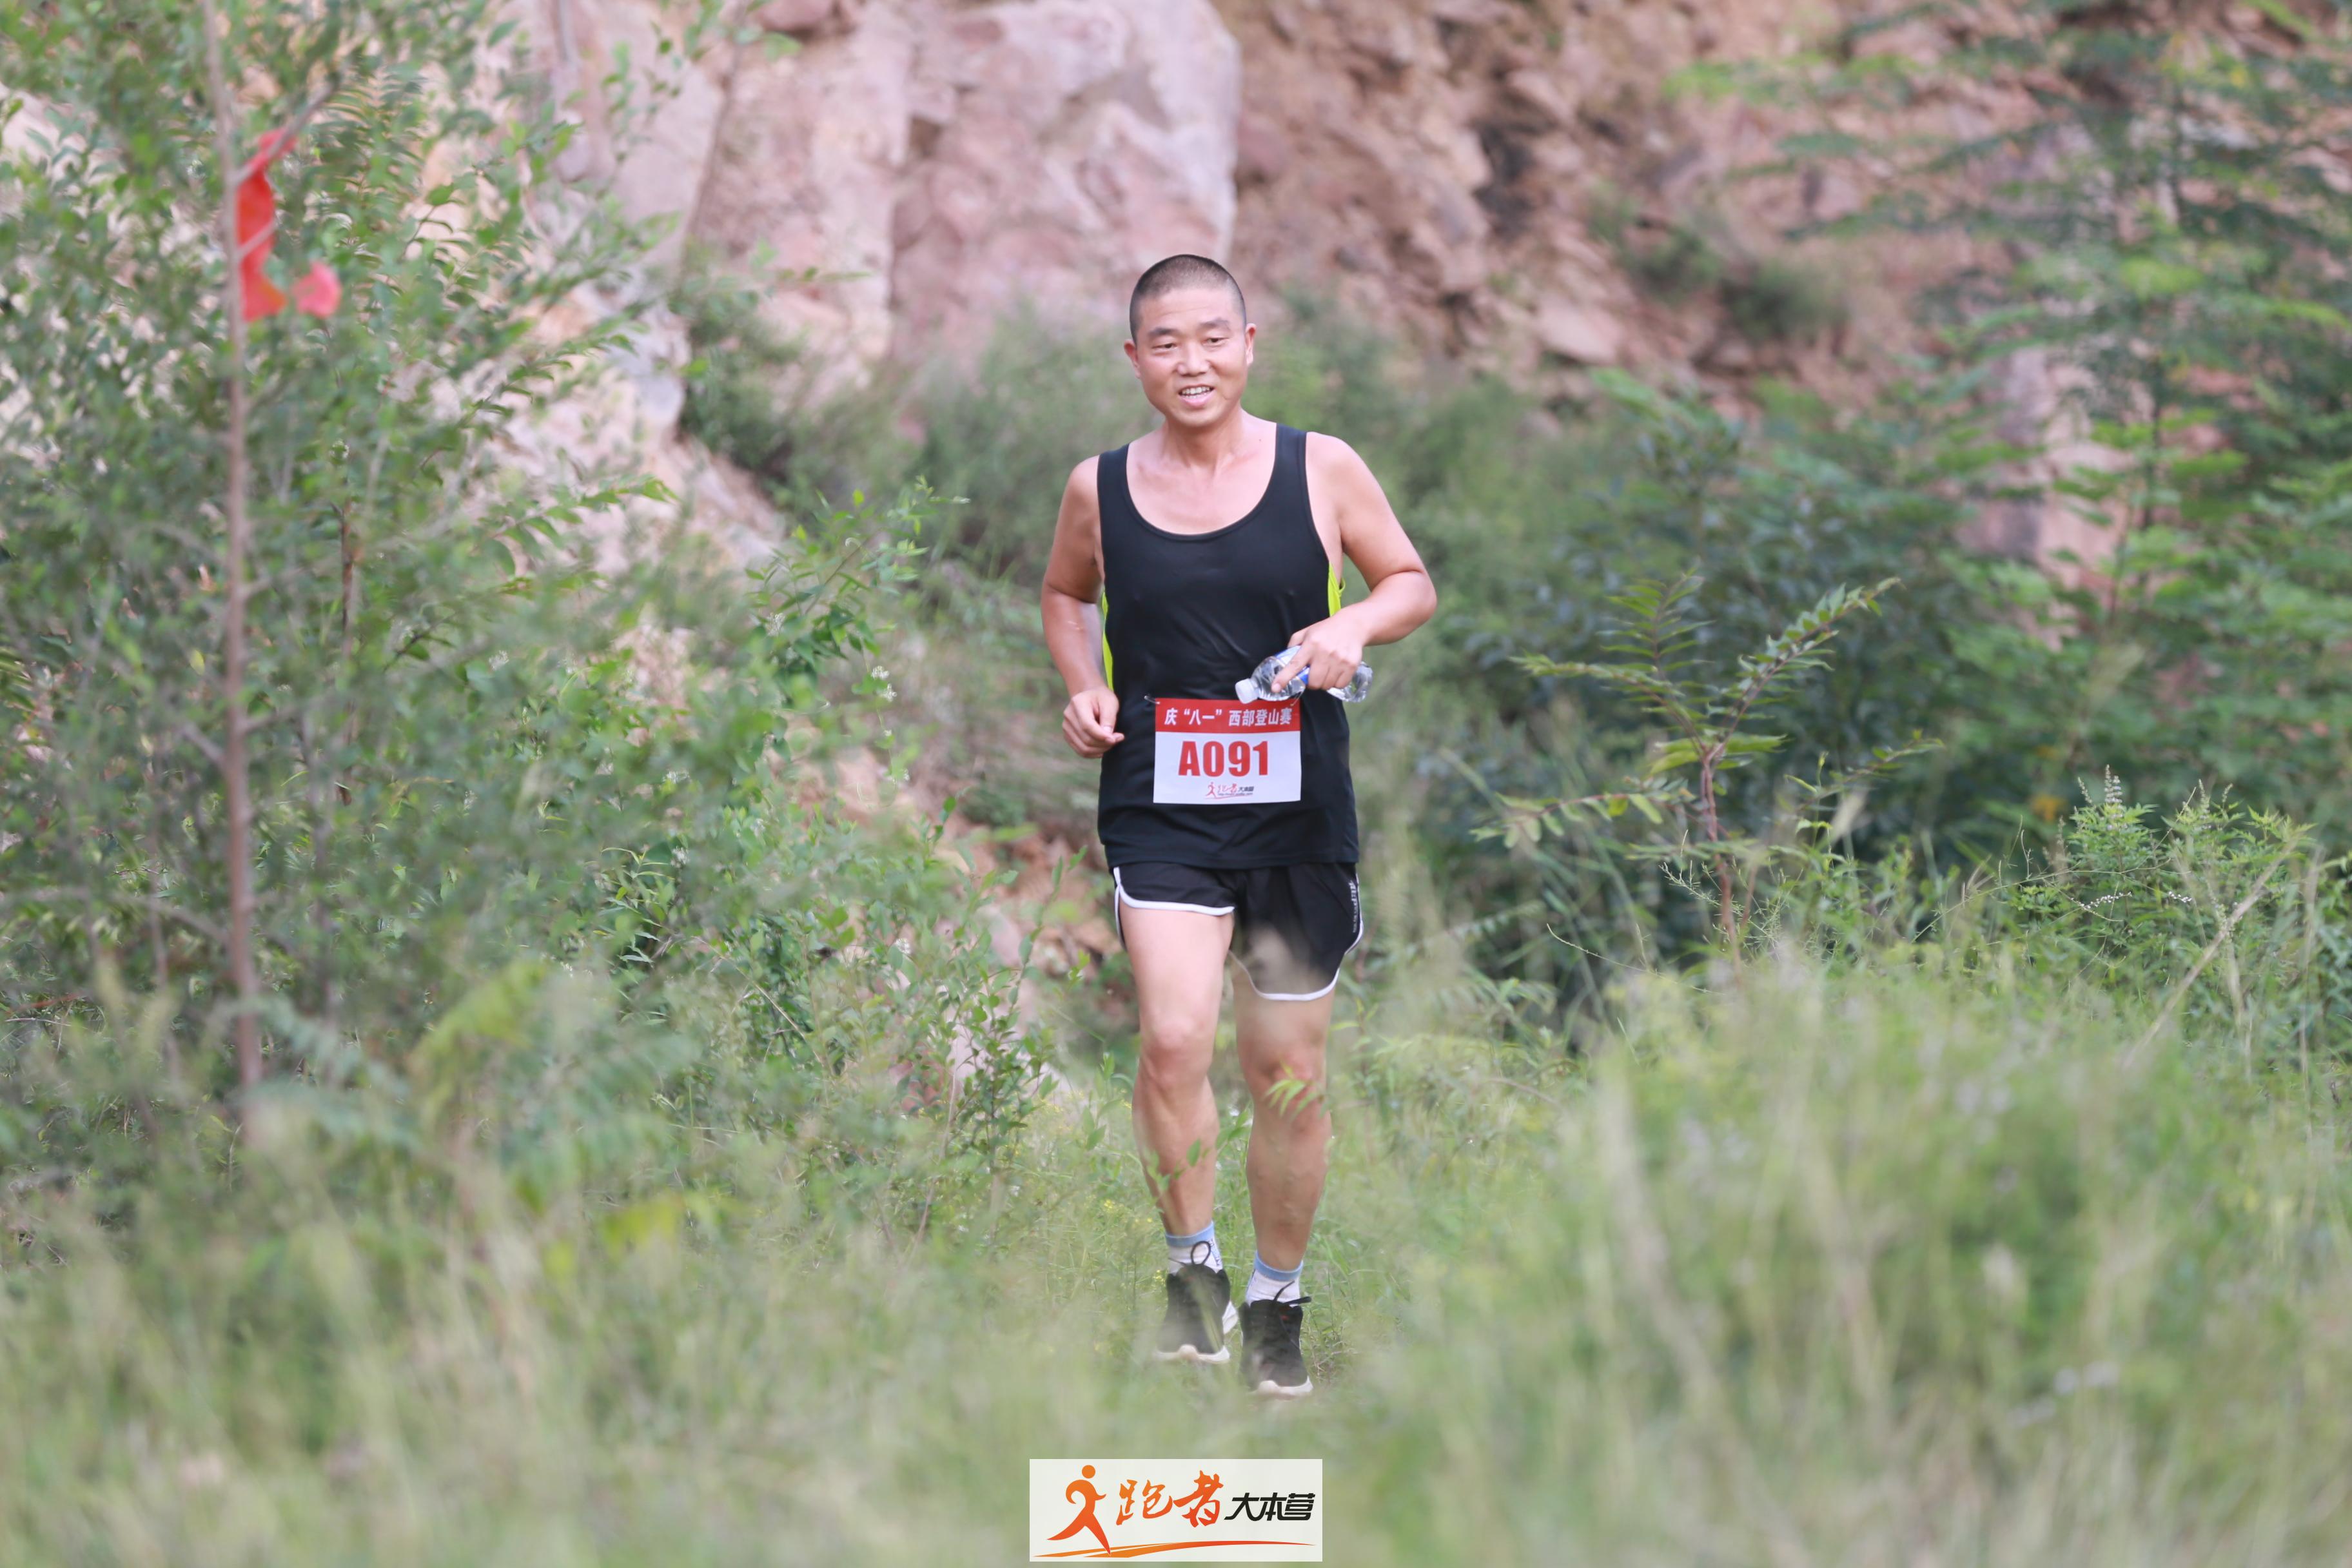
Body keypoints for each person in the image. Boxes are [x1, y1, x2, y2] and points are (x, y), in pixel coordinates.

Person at [1039, 255, 1436, 1397]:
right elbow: (1066, 594)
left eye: (1213, 337)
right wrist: (1085, 684)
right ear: (1135, 359)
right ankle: (1192, 1277)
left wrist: (1353, 626)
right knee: (1173, 1040)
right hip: (1161, 800)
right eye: (1167, 343)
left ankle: (1277, 1301)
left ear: (1249, 344)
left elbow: (1410, 582)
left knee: (1285, 1073)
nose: (1193, 362)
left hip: (1296, 811)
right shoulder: (1099, 488)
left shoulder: (1322, 467)